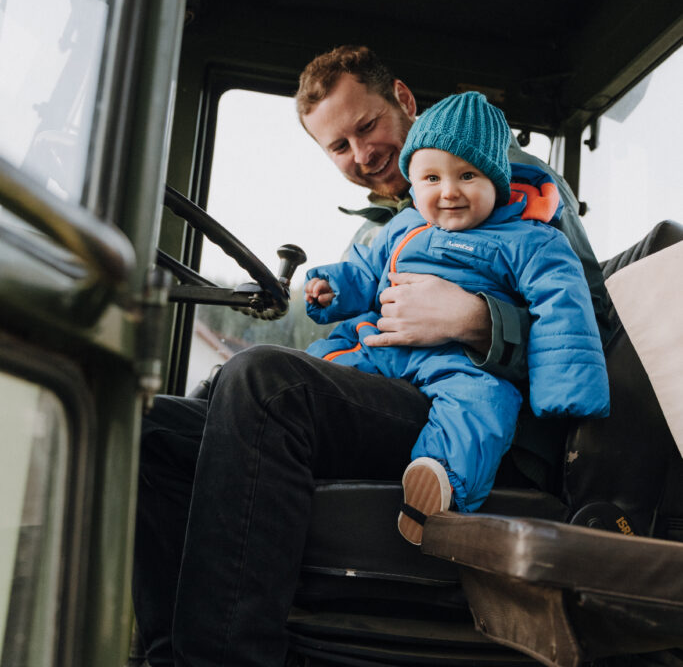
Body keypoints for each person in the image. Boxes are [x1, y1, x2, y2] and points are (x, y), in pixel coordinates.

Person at [133, 44, 610, 667]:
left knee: (268, 384)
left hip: (479, 408)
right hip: (387, 383)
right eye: (339, 147)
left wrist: (477, 321)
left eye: (367, 127)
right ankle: (165, 656)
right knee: (154, 426)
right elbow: (354, 317)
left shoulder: (504, 179)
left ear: (404, 102)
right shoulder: (380, 232)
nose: (361, 155)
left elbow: (591, 320)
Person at [303, 90, 609, 542]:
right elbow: (365, 274)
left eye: (467, 175)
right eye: (430, 178)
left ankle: (436, 488)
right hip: (385, 347)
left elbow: (567, 309)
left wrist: (565, 390)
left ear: (497, 180)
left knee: (484, 405)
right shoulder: (400, 228)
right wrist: (331, 288)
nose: (448, 192)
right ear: (415, 181)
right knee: (317, 361)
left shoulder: (529, 237)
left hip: (461, 364)